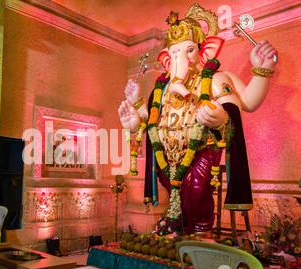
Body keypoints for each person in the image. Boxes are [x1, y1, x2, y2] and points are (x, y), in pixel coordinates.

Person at [118, 4, 278, 235]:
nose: (179, 58)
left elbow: (247, 102)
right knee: (176, 195)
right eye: (174, 53)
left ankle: (202, 237)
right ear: (166, 59)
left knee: (196, 191)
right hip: (168, 155)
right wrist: (134, 119)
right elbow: (150, 119)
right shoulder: (161, 90)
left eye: (188, 50)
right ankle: (180, 231)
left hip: (202, 148)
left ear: (205, 51)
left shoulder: (213, 79)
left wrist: (262, 69)